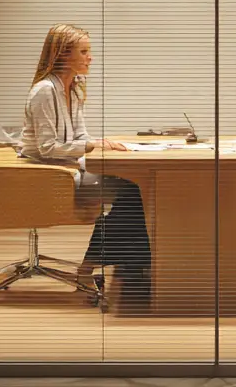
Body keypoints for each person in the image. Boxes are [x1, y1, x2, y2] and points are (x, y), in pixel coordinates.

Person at [20, 23, 151, 293]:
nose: (90, 58)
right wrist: (92, 145)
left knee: (138, 188)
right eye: (83, 51)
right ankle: (89, 269)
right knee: (132, 192)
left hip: (66, 167)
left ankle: (134, 265)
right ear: (62, 55)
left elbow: (80, 137)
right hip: (48, 174)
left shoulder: (73, 87)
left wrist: (100, 145)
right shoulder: (45, 91)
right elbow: (48, 148)